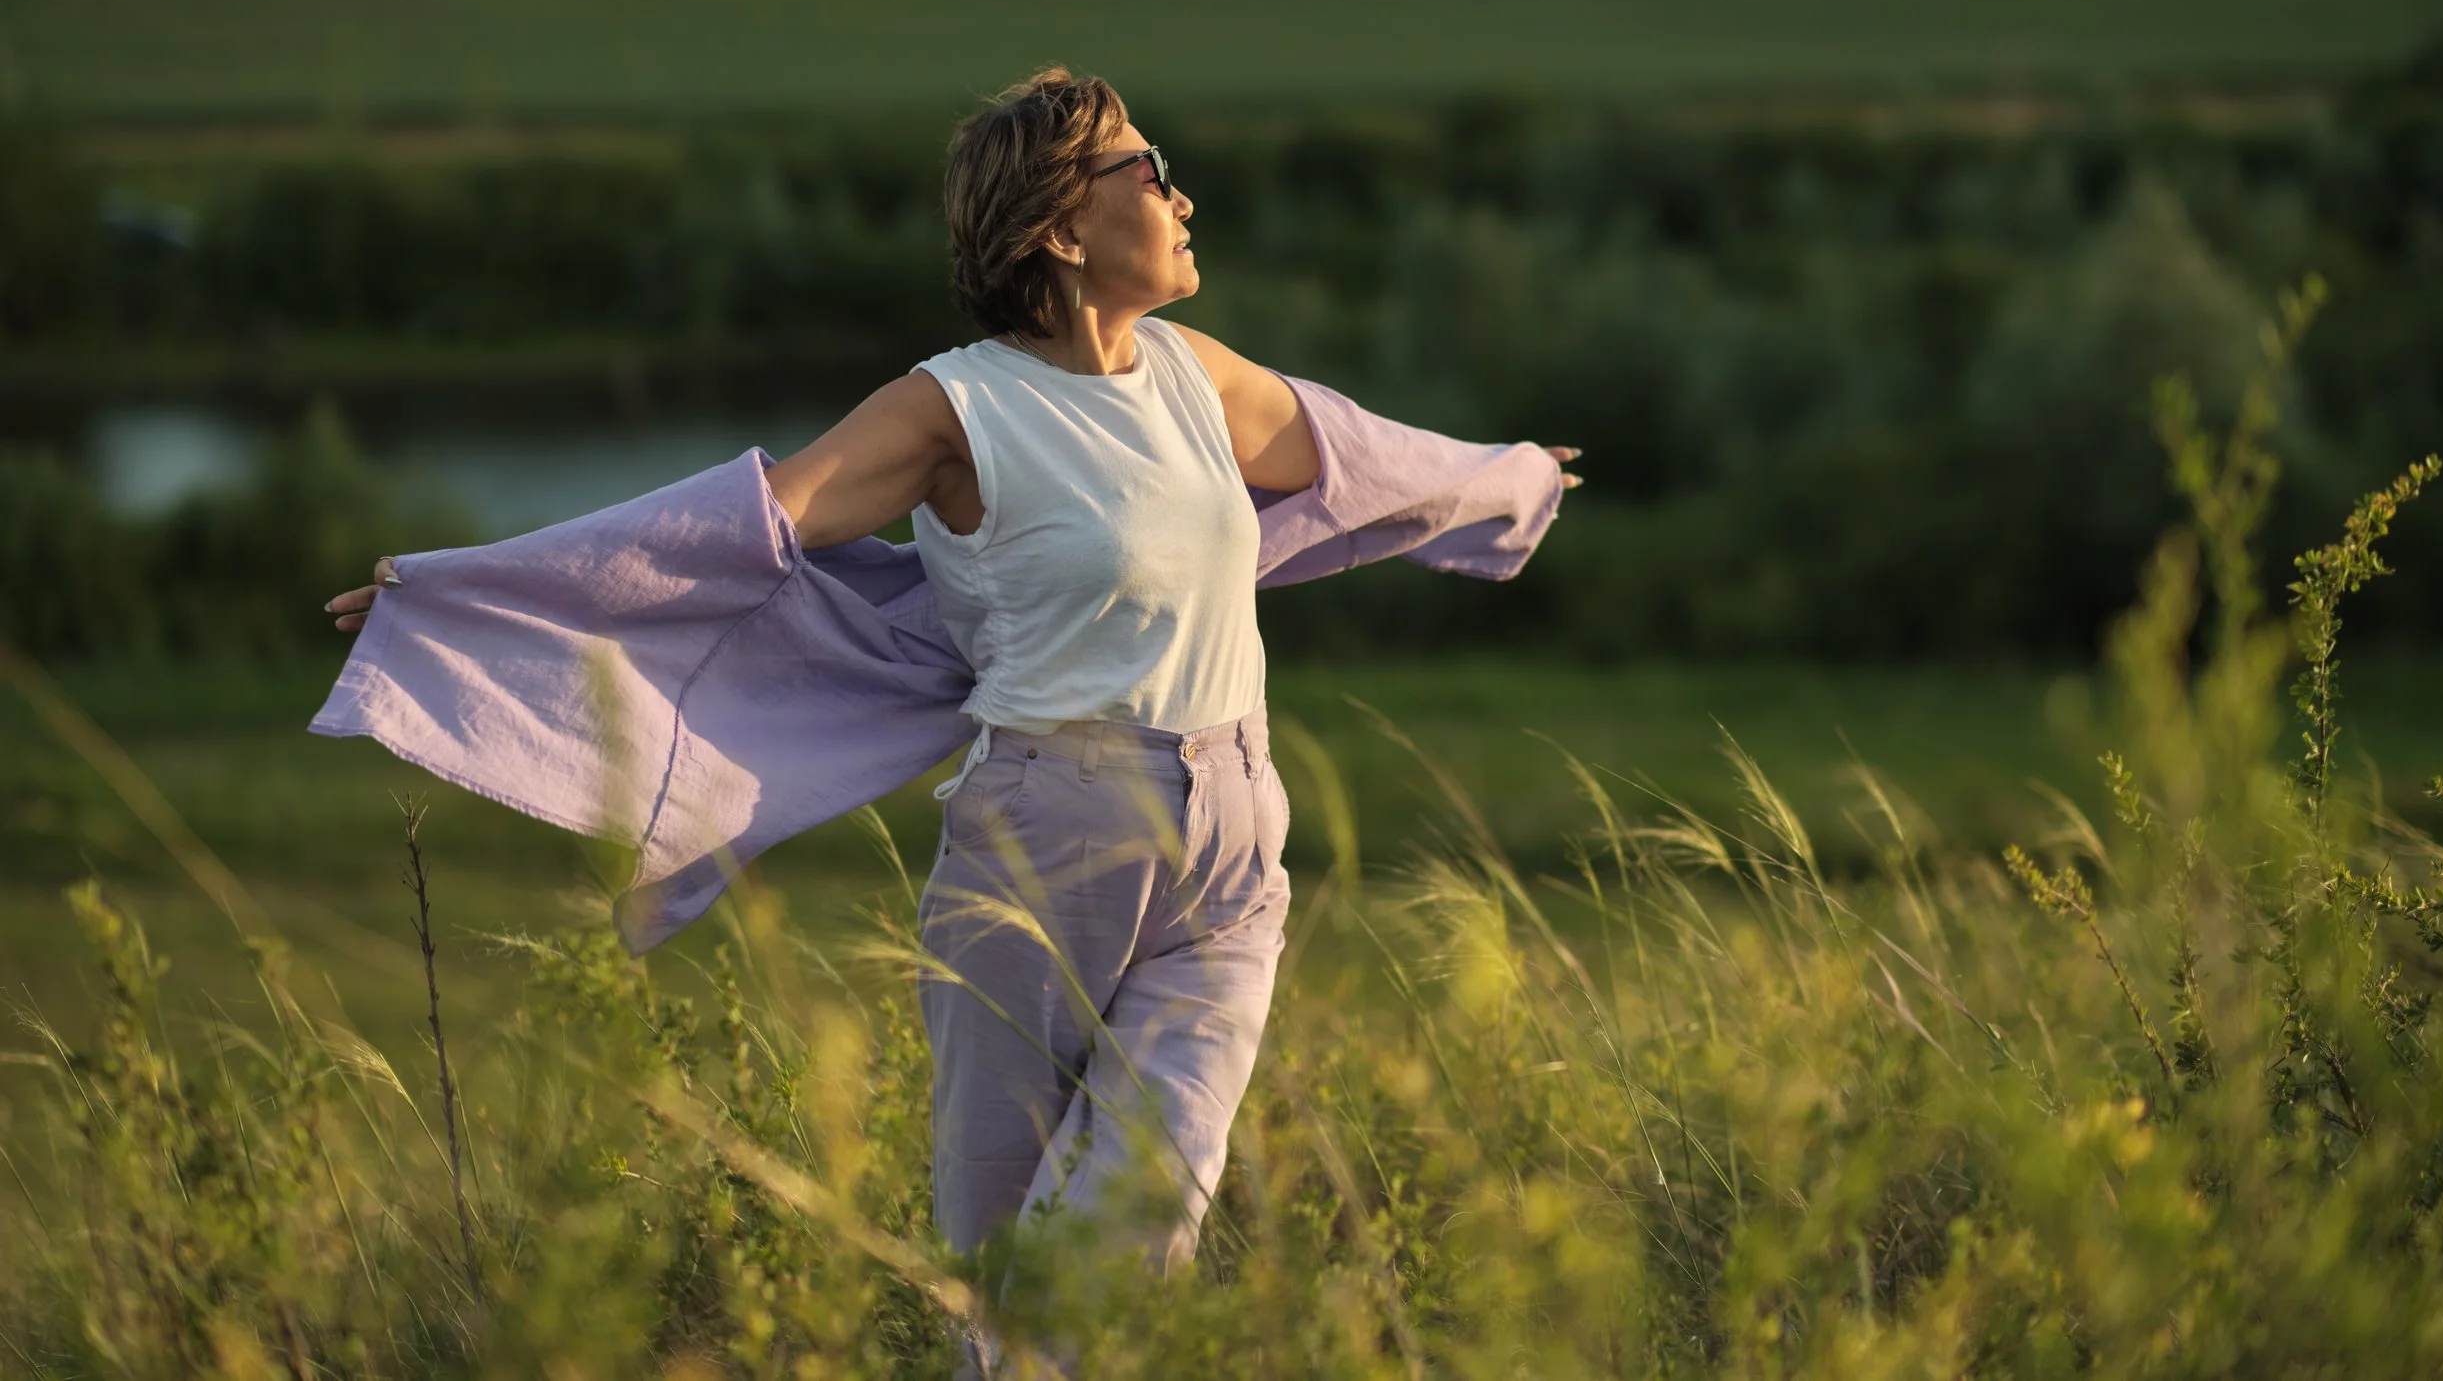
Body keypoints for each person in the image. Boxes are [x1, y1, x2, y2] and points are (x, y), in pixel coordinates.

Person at [318, 67, 1579, 1309]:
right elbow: (737, 528)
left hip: (1232, 841)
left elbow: (1358, 456)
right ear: (1062, 227)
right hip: (1047, 841)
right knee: (1007, 1258)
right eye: (1150, 169)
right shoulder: (956, 409)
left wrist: (1513, 475)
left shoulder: (1193, 374)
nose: (1182, 196)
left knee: (1136, 1223)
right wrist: (475, 589)